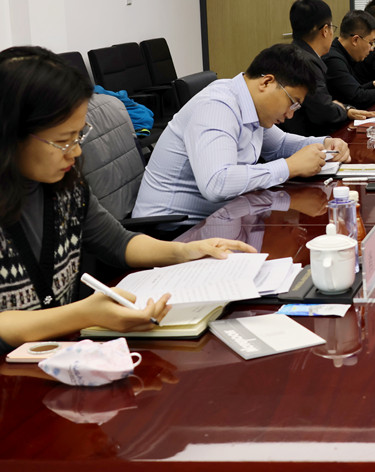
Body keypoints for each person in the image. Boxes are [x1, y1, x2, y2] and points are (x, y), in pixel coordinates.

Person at [0, 47, 256, 355]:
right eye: (63, 140)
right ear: (9, 134)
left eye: (79, 136)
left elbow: (117, 242)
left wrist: (185, 251)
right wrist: (85, 314)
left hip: (61, 359)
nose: (76, 151)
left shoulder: (65, 187)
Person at [133, 44, 351, 222]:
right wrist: (289, 167)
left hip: (220, 217)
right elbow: (217, 183)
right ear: (267, 82)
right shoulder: (217, 107)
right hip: (170, 230)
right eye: (292, 102)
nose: (290, 114)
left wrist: (326, 144)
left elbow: (280, 145)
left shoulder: (249, 104)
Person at [279, 0, 375, 136]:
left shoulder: (291, 53)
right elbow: (323, 112)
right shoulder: (307, 63)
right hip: (303, 140)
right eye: (332, 28)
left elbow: (321, 103)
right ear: (325, 30)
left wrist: (345, 108)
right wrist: (343, 110)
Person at [324, 10, 375, 109]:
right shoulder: (333, 60)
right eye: (371, 42)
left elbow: (351, 92)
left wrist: (374, 84)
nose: (372, 49)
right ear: (355, 40)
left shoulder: (343, 54)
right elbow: (358, 98)